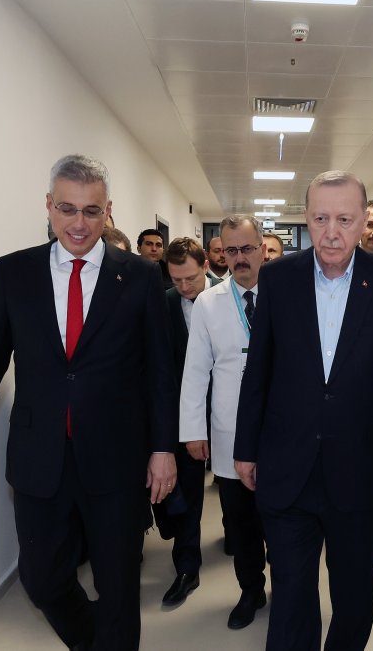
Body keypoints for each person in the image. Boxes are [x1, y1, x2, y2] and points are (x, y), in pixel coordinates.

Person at [0, 154, 178, 651]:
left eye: (91, 211)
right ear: (49, 206)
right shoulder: (14, 273)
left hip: (115, 457)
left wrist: (162, 448)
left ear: (107, 211)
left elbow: (159, 372)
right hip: (38, 455)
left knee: (117, 588)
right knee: (41, 579)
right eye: (67, 209)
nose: (79, 223)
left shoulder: (138, 277)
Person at [234, 170, 373, 651]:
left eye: (344, 219)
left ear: (364, 220)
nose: (331, 232)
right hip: (287, 464)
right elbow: (257, 368)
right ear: (306, 217)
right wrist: (245, 448)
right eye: (321, 218)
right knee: (292, 598)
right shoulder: (278, 278)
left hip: (357, 468)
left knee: (354, 599)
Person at [181, 215, 271, 629]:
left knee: (284, 522)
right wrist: (194, 430)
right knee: (241, 521)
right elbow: (196, 371)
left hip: (282, 433)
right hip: (229, 431)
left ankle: (287, 591)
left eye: (247, 249)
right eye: (231, 250)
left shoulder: (286, 295)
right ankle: (250, 590)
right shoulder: (208, 302)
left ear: (262, 249)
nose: (239, 258)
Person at [158, 237, 221, 609]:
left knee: (241, 490)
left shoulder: (230, 297)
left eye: (191, 279)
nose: (184, 287)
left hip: (229, 411)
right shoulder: (165, 304)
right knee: (190, 492)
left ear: (205, 267)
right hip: (186, 414)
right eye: (176, 280)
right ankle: (186, 566)